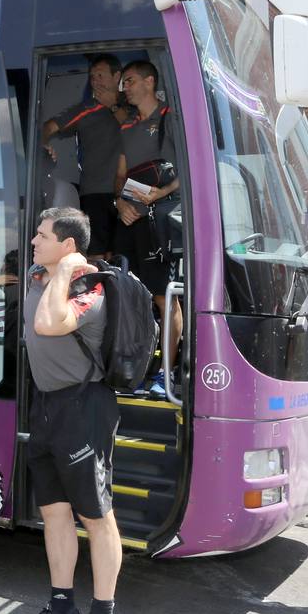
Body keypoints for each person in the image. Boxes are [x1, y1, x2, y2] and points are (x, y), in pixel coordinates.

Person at [10, 207, 124, 614]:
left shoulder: (88, 287)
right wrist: (48, 271)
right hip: (47, 405)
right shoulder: (38, 277)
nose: (34, 242)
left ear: (68, 245)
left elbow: (48, 324)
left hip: (84, 406)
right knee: (55, 512)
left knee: (97, 517)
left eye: (42, 236)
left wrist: (66, 272)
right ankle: (62, 610)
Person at [113, 60, 182, 395]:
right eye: (123, 81)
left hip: (159, 222)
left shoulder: (171, 116)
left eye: (129, 80)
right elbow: (120, 175)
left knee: (164, 298)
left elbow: (186, 168)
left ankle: (163, 377)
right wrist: (120, 203)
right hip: (129, 221)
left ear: (149, 81)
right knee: (128, 295)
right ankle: (132, 369)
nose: (124, 87)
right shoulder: (126, 127)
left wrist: (160, 195)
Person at [42, 54, 127, 256]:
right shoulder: (87, 108)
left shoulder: (132, 104)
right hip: (94, 192)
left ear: (117, 77)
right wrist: (44, 145)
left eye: (100, 75)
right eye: (92, 77)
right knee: (96, 254)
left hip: (129, 192)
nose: (95, 81)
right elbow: (49, 127)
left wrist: (112, 106)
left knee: (124, 253)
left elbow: (137, 129)